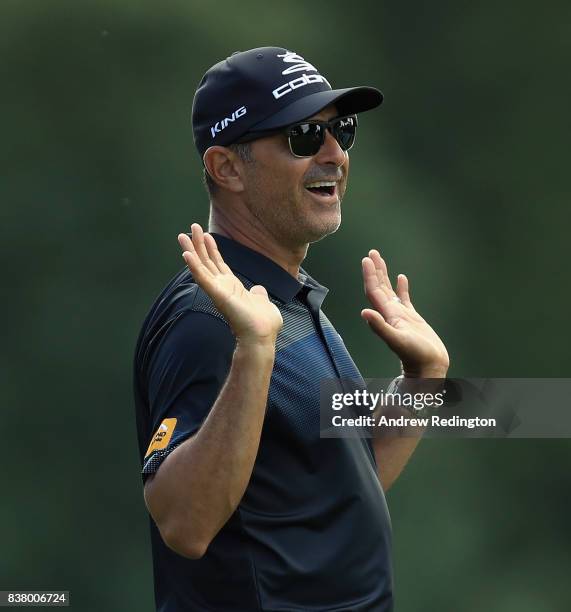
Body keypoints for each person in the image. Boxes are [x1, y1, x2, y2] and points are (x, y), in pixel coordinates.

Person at [133, 47, 449, 611]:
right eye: (304, 136)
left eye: (341, 131)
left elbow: (338, 488)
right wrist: (253, 352)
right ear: (226, 167)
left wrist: (423, 380)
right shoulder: (208, 320)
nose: (334, 154)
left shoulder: (288, 298)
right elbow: (183, 523)